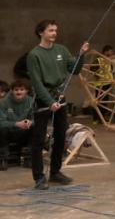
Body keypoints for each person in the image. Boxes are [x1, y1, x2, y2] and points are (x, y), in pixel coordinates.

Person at [26, 20, 88, 190]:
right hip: (43, 99)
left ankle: (55, 172)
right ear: (41, 32)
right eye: (51, 30)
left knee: (61, 136)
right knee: (39, 139)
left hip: (60, 98)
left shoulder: (61, 50)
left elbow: (74, 70)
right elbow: (37, 83)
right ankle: (39, 177)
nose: (54, 33)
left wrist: (81, 55)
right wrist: (49, 101)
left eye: (56, 30)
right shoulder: (34, 55)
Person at [0, 79, 34, 171]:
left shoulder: (31, 101)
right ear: (12, 91)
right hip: (8, 132)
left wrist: (31, 122)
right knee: (2, 128)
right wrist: (16, 124)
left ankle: (29, 158)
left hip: (25, 131)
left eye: (22, 89)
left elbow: (36, 118)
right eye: (16, 90)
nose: (19, 92)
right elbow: (1, 122)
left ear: (27, 91)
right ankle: (3, 159)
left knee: (36, 128)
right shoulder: (3, 102)